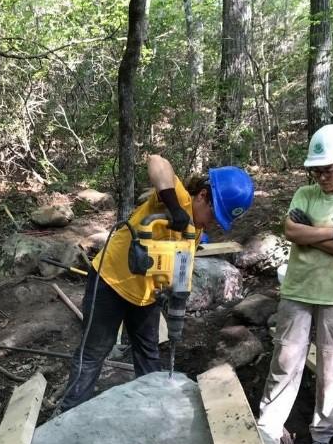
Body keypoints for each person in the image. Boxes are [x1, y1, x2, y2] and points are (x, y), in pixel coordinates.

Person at [59, 154, 254, 412]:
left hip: (147, 295)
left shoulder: (195, 230)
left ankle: (153, 409)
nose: (212, 223)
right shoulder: (179, 197)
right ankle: (70, 412)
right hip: (112, 282)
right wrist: (173, 208)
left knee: (148, 353)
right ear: (203, 195)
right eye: (214, 214)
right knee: (94, 352)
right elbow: (156, 161)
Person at [258, 124, 333, 444]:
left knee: (332, 366)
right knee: (285, 358)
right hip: (298, 289)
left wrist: (311, 233)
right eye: (315, 171)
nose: (321, 177)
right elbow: (291, 231)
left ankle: (323, 433)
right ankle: (269, 426)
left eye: (327, 170)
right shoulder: (303, 194)